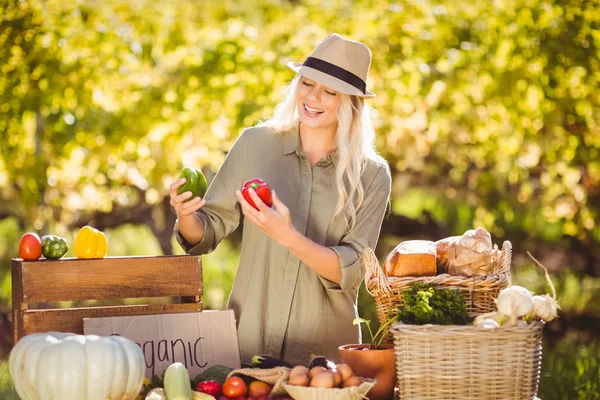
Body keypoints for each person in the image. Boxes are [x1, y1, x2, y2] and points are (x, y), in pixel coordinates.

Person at [169, 33, 391, 366]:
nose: (313, 97)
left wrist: (287, 236)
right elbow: (208, 229)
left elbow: (354, 268)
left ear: (351, 103)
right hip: (249, 340)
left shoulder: (372, 174)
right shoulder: (255, 144)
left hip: (324, 355)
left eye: (329, 92)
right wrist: (186, 214)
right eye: (307, 83)